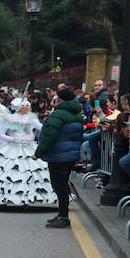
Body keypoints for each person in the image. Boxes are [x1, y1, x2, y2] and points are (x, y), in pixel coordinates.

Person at [0, 96, 52, 210]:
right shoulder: (9, 119)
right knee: (9, 173)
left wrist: (52, 126)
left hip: (29, 148)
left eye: (28, 105)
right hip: (13, 148)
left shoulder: (32, 117)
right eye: (26, 105)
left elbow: (42, 128)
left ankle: (26, 198)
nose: (28, 107)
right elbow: (0, 134)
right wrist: (14, 139)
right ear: (19, 107)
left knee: (28, 173)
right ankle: (4, 197)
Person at [36, 86, 86, 229]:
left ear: (59, 99)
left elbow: (49, 136)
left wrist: (38, 152)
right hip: (70, 154)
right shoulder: (77, 114)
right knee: (63, 184)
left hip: (58, 155)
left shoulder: (57, 115)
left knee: (59, 186)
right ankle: (61, 214)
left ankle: (63, 217)